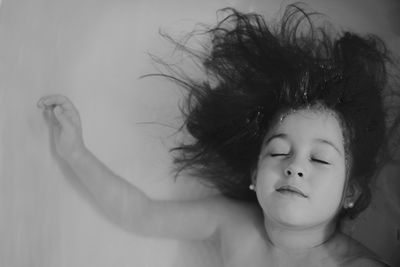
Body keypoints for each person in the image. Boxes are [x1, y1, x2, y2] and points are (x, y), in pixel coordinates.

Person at [37, 4, 399, 267]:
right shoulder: (234, 224)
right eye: (277, 152)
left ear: (350, 190)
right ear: (255, 174)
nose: (294, 167)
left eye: (319, 158)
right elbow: (139, 213)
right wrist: (76, 153)